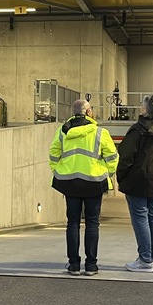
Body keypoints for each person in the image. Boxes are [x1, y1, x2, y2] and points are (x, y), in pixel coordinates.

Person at [49, 98, 119, 276]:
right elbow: (112, 157)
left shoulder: (62, 131)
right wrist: (108, 173)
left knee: (72, 223)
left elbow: (53, 154)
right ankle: (91, 265)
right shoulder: (100, 132)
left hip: (70, 182)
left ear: (74, 112)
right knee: (92, 223)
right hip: (94, 183)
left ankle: (73, 265)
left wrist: (59, 171)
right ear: (88, 112)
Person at [117, 94, 153, 273]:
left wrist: (121, 177)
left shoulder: (138, 130)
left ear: (146, 109)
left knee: (140, 218)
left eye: (142, 106)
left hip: (137, 180)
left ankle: (145, 260)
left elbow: (126, 157)